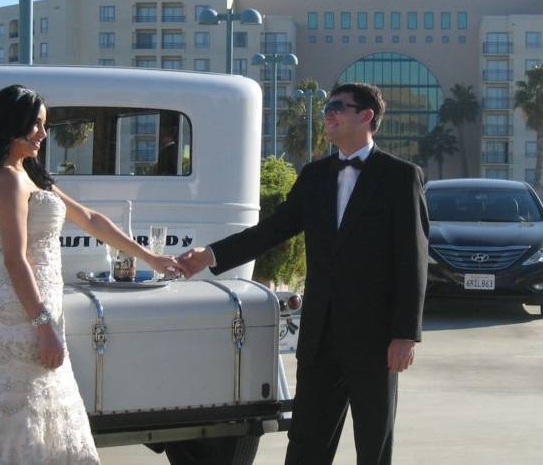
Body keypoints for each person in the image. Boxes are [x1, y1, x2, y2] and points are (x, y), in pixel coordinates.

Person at [176, 82, 429, 464]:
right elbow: (273, 230)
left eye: (339, 107)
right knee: (306, 445)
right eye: (327, 106)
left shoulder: (400, 177)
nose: (328, 114)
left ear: (366, 117)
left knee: (373, 446)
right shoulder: (315, 175)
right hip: (321, 337)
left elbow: (413, 259)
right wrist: (210, 255)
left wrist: (405, 334)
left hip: (374, 341)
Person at [0, 85, 178, 464]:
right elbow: (15, 259)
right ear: (12, 124)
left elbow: (90, 219)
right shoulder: (5, 178)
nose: (43, 133)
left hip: (41, 310)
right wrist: (42, 324)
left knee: (45, 420)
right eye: (36, 124)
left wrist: (150, 258)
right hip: (25, 314)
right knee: (20, 419)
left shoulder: (31, 176)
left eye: (44, 125)